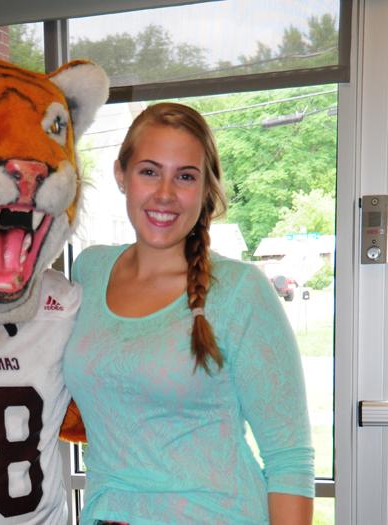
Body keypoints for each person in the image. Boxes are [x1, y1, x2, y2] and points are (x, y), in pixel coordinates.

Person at [63, 102, 314, 525]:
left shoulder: (239, 291)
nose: (165, 193)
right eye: (148, 171)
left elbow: (289, 458)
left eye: (185, 176)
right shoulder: (89, 269)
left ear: (205, 189)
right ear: (120, 175)